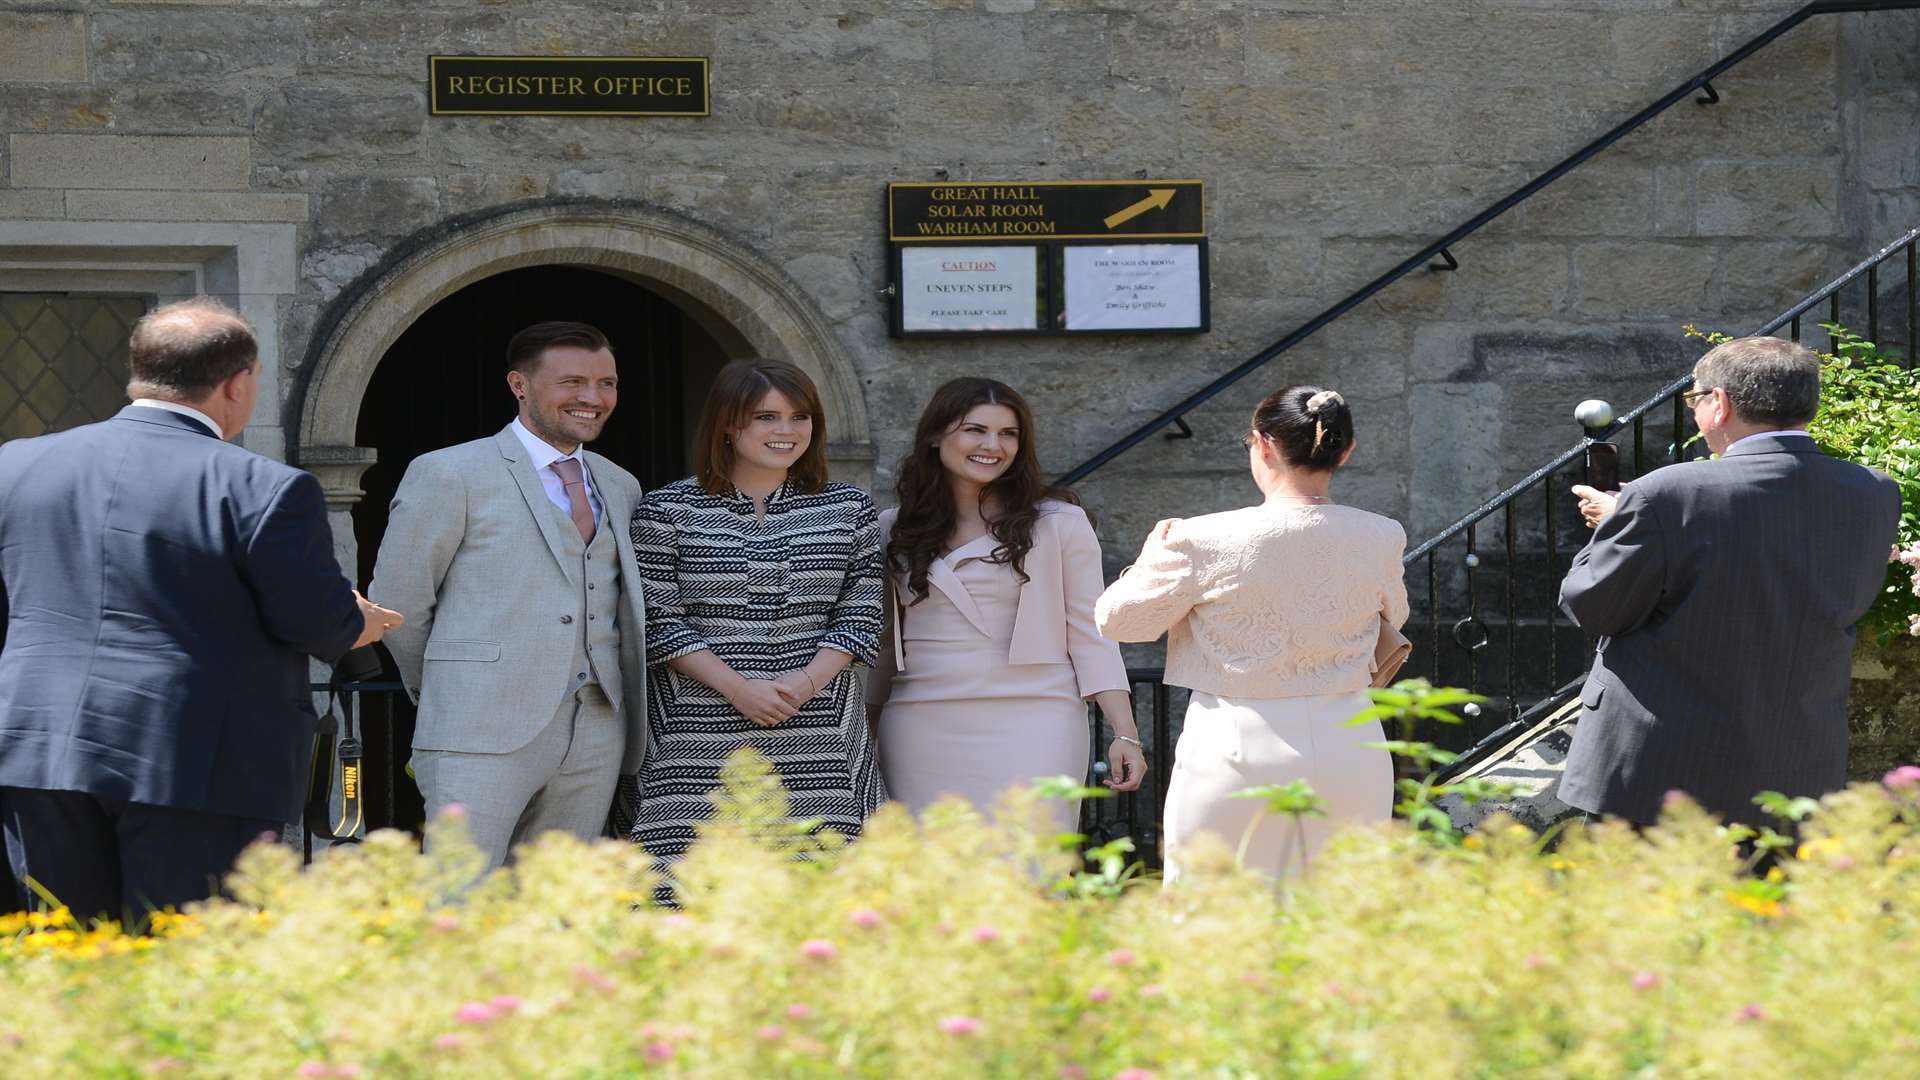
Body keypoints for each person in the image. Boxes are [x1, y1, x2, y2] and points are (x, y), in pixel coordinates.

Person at [0, 298, 399, 922]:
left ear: (140, 372)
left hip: (38, 749)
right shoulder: (264, 487)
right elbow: (312, 620)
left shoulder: (15, 466)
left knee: (64, 965)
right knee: (190, 964)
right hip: (196, 760)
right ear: (238, 384)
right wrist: (361, 622)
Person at [1561, 336, 1900, 828]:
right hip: (1798, 769)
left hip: (1662, 772)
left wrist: (1618, 525)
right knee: (1768, 905)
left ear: (1718, 403)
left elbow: (1594, 606)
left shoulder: (1668, 493)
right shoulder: (1872, 491)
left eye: (1695, 399)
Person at [1096, 386, 1408, 880]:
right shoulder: (1382, 533)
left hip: (1236, 737)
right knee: (1345, 909)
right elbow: (1396, 614)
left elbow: (1119, 621)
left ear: (1262, 444)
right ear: (1345, 450)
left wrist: (1152, 554)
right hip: (1350, 738)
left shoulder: (1200, 536)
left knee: (1217, 903)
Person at [369, 321, 647, 869]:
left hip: (596, 727)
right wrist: (453, 687)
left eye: (606, 383)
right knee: (459, 898)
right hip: (477, 727)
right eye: (573, 382)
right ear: (519, 384)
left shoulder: (620, 483)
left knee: (557, 906)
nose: (593, 398)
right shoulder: (450, 472)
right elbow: (399, 602)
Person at [625, 358, 884, 869]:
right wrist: (740, 689)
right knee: (686, 888)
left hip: (820, 729)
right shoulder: (666, 509)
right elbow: (657, 620)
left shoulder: (849, 508)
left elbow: (862, 613)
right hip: (694, 733)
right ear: (728, 422)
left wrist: (805, 685)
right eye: (766, 417)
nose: (786, 431)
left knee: (824, 882)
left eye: (799, 417)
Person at [866, 378, 1144, 835]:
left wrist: (1125, 732)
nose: (992, 445)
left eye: (1008, 434)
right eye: (975, 430)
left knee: (1033, 870)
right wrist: (868, 728)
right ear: (936, 436)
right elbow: (882, 645)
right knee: (931, 876)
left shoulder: (1059, 523)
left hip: (1038, 721)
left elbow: (1092, 634)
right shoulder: (893, 528)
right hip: (921, 724)